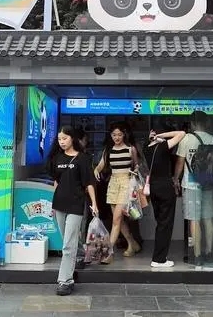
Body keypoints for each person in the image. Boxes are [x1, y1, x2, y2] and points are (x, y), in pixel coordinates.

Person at [47, 125, 98, 296]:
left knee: (68, 245)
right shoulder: (56, 158)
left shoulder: (82, 158)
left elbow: (89, 182)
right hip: (60, 203)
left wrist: (94, 203)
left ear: (72, 139)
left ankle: (65, 281)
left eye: (65, 138)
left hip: (76, 204)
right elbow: (56, 182)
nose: (61, 142)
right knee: (67, 241)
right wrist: (53, 204)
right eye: (59, 139)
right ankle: (80, 255)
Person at [174, 111, 213, 266]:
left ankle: (197, 256)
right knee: (208, 219)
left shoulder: (186, 139)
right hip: (208, 183)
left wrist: (175, 179)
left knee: (194, 219)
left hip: (191, 183)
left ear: (192, 123)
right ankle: (209, 252)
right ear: (205, 123)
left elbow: (180, 163)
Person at [93, 123, 140, 264]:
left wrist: (135, 171)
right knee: (118, 220)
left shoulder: (131, 149)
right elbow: (100, 165)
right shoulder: (108, 150)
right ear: (111, 136)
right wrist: (96, 170)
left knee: (116, 220)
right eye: (114, 135)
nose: (117, 137)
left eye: (119, 134)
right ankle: (132, 244)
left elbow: (137, 165)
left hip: (126, 183)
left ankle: (109, 252)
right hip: (113, 184)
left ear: (124, 135)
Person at [143, 124, 185, 268]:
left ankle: (160, 256)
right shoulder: (162, 146)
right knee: (165, 224)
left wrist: (155, 137)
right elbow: (181, 133)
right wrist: (162, 136)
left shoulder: (146, 147)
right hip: (165, 187)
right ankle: (159, 259)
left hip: (153, 187)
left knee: (160, 223)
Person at [74, 128, 91, 270]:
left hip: (80, 195)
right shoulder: (81, 156)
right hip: (77, 196)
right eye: (85, 140)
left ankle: (80, 255)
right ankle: (79, 255)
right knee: (80, 225)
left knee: (81, 225)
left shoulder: (83, 155)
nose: (86, 142)